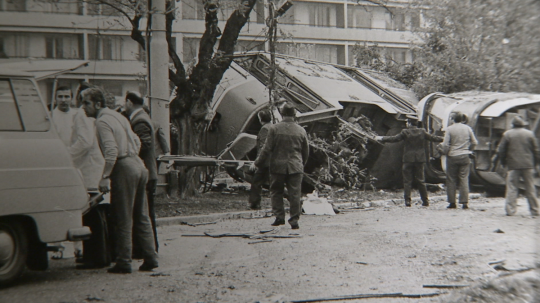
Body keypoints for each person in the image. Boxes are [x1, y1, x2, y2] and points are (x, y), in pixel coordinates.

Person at [81, 87, 158, 274]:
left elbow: (111, 151)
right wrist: (132, 157)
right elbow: (137, 141)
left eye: (86, 103)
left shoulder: (102, 121)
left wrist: (105, 176)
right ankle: (150, 256)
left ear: (97, 104)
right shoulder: (120, 117)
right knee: (141, 215)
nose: (83, 107)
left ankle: (124, 261)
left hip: (124, 167)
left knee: (123, 217)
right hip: (139, 165)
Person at [252, 103, 309, 229]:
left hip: (277, 166)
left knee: (276, 191)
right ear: (294, 115)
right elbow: (305, 151)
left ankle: (279, 217)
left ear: (282, 114)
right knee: (295, 193)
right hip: (296, 166)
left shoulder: (274, 128)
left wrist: (257, 163)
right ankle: (294, 220)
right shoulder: (301, 130)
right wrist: (301, 164)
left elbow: (266, 149)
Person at [376, 116, 443, 207]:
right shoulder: (422, 131)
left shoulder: (405, 132)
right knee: (421, 180)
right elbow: (433, 138)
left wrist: (381, 138)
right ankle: (425, 201)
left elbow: (394, 139)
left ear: (409, 123)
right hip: (420, 159)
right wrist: (445, 138)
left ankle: (407, 201)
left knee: (407, 181)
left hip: (408, 159)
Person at [124, 92, 159, 253]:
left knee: (144, 214)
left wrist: (128, 151)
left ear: (129, 102)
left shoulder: (139, 120)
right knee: (146, 213)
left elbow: (143, 143)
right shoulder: (143, 117)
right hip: (149, 171)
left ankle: (146, 249)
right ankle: (148, 248)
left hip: (144, 171)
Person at [495, 115, 540, 216]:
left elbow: (501, 150)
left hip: (513, 165)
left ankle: (510, 210)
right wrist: (536, 163)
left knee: (512, 187)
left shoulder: (507, 134)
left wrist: (503, 162)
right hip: (528, 165)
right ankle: (535, 210)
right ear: (523, 124)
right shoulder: (530, 134)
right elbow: (536, 150)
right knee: (530, 188)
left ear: (513, 124)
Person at [439, 112, 478, 209]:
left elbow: (446, 144)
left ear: (452, 119)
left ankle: (452, 203)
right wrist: (469, 150)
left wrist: (445, 152)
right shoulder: (467, 128)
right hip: (465, 156)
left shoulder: (449, 129)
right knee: (464, 179)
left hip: (452, 156)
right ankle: (464, 202)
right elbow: (474, 142)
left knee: (451, 179)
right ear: (462, 119)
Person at [248, 109, 273, 210]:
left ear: (260, 119)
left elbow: (263, 146)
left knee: (256, 182)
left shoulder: (264, 129)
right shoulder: (273, 127)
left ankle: (255, 203)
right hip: (273, 160)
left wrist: (257, 162)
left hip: (265, 161)